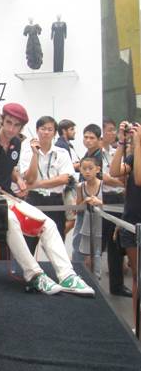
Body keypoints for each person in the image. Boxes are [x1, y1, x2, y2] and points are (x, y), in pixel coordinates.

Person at [0, 103, 94, 296]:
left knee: (48, 224)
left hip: (7, 196)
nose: (11, 129)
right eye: (8, 123)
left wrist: (18, 179)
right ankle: (34, 275)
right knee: (11, 220)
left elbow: (11, 169)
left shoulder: (16, 143)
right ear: (2, 120)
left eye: (16, 126)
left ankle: (67, 275)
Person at [19, 116, 74, 242]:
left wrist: (36, 185)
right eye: (43, 129)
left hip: (55, 200)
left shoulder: (62, 153)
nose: (46, 132)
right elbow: (29, 179)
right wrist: (35, 154)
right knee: (30, 242)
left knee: (56, 242)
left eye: (50, 129)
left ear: (54, 133)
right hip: (34, 200)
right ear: (37, 130)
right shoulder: (27, 152)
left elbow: (65, 179)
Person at [109, 121, 141, 322]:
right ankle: (137, 324)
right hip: (131, 221)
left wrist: (137, 145)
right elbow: (114, 171)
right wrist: (121, 142)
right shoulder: (133, 156)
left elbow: (138, 179)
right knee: (137, 275)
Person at [100, 118, 130, 297]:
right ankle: (93, 282)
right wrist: (119, 181)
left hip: (119, 198)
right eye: (109, 130)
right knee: (99, 244)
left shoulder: (116, 151)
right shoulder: (97, 153)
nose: (113, 133)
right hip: (103, 199)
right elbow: (104, 176)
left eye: (114, 130)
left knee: (116, 244)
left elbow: (123, 174)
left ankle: (117, 286)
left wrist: (120, 181)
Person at [76, 156, 103, 278]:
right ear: (80, 170)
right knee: (87, 259)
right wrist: (85, 201)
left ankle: (97, 281)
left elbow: (110, 206)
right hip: (87, 224)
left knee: (98, 256)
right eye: (84, 168)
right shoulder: (80, 186)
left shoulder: (103, 185)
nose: (87, 171)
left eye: (90, 168)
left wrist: (99, 202)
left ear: (97, 169)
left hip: (101, 224)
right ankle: (89, 280)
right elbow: (77, 209)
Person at [55, 118, 80, 234]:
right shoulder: (61, 146)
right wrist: (80, 164)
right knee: (72, 218)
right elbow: (65, 168)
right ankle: (57, 239)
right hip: (67, 188)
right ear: (64, 131)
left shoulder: (66, 145)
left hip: (68, 187)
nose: (74, 132)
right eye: (71, 129)